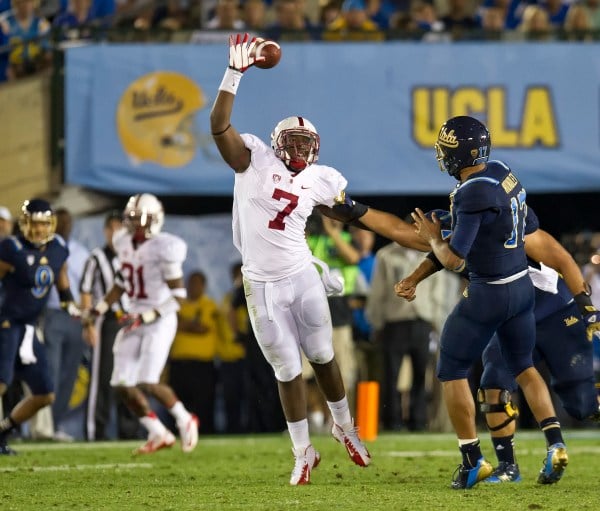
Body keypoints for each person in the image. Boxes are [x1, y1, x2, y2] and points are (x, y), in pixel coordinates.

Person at [209, 32, 373, 485]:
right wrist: (233, 74)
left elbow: (352, 214)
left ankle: (344, 425)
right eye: (294, 142)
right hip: (260, 281)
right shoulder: (253, 158)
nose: (300, 150)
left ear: (315, 149)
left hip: (300, 274)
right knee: (286, 366)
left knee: (322, 354)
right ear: (278, 141)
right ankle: (303, 449)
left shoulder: (321, 178)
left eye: (306, 144)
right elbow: (219, 128)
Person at [404, 115, 569, 489]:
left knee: (451, 368)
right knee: (525, 368)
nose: (442, 157)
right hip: (521, 287)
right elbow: (526, 224)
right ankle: (555, 444)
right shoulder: (502, 171)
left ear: (458, 154)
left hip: (489, 291)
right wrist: (459, 223)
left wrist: (434, 237)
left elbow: (455, 259)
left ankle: (472, 460)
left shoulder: (471, 191)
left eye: (446, 151)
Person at [397, 212, 600, 483]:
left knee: (583, 405)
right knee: (496, 383)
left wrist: (587, 308)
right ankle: (520, 461)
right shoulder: (472, 222)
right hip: (516, 313)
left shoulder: (510, 226)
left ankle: (544, 451)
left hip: (553, 314)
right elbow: (442, 253)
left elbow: (561, 257)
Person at [82, 193, 199, 455]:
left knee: (148, 380)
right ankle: (158, 432)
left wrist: (145, 317)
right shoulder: (123, 241)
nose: (133, 225)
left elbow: (178, 298)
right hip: (134, 316)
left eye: (139, 220)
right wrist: (98, 309)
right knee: (121, 383)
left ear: (154, 220)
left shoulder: (165, 247)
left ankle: (184, 418)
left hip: (159, 319)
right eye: (131, 219)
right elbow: (122, 282)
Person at [0, 199, 81, 455]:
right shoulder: (11, 248)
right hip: (6, 322)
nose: (38, 230)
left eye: (44, 224)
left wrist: (74, 308)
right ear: (24, 224)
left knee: (45, 394)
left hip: (29, 328)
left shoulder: (58, 247)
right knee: (1, 382)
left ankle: (3, 431)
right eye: (34, 224)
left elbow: (63, 284)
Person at [79, 209, 140, 441]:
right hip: (108, 322)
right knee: (102, 380)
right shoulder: (96, 257)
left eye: (120, 229)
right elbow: (85, 291)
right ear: (105, 231)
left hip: (131, 322)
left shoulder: (133, 255)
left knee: (129, 378)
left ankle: (130, 431)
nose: (116, 233)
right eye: (112, 229)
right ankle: (97, 432)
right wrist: (88, 324)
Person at [169, 271, 223, 434]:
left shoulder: (208, 305)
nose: (193, 287)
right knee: (178, 404)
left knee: (204, 405)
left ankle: (205, 434)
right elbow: (174, 324)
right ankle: (180, 434)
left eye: (197, 283)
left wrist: (182, 323)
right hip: (178, 365)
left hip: (202, 366)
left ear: (203, 286)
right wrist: (190, 324)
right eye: (191, 283)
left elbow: (202, 328)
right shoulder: (178, 305)